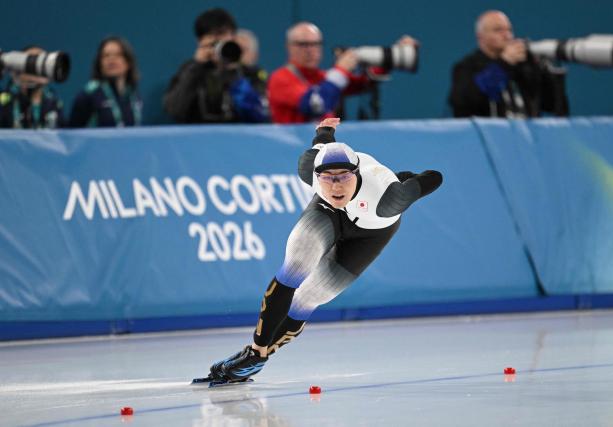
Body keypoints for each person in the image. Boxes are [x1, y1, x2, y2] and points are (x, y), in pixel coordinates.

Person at [198, 117, 443, 384]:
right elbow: (323, 144)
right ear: (316, 176)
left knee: (311, 296)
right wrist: (325, 130)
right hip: (327, 212)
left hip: (372, 231)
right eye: (328, 178)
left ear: (357, 174)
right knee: (295, 267)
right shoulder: (308, 168)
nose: (336, 186)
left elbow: (434, 177)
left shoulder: (389, 199)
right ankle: (255, 353)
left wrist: (410, 181)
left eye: (344, 178)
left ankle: (261, 355)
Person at [268, 22, 417, 124]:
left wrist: (395, 55)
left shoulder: (322, 77)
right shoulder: (281, 78)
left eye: (316, 44)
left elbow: (362, 83)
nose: (310, 50)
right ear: (289, 47)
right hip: (293, 153)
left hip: (323, 150)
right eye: (303, 44)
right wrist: (341, 70)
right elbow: (316, 104)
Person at [448, 10, 569, 118]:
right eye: (498, 30)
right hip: (488, 140)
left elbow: (553, 106)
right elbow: (464, 103)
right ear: (480, 37)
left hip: (526, 139)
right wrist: (504, 63)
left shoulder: (523, 66)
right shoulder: (466, 67)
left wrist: (544, 69)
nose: (507, 35)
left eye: (509, 30)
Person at [163, 9, 268, 124]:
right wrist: (196, 67)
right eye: (214, 40)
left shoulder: (250, 73)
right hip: (198, 138)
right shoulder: (189, 70)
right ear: (200, 42)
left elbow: (258, 113)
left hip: (238, 138)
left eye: (223, 34)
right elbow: (174, 110)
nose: (219, 44)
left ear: (233, 37)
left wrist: (232, 71)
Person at [68, 36, 142, 127]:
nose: (111, 60)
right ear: (99, 63)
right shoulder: (89, 95)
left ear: (128, 62)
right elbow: (73, 133)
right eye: (106, 56)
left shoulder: (133, 94)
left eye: (118, 55)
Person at [0, 46, 64, 129]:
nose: (39, 69)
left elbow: (64, 137)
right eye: (31, 61)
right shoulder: (4, 101)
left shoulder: (54, 102)